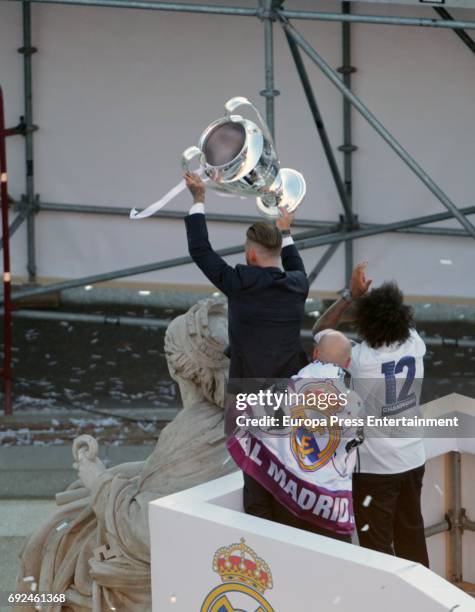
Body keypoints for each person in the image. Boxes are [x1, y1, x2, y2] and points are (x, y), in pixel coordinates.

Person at [15, 297, 236, 611]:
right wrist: (117, 473)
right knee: (72, 508)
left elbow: (145, 530)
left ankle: (30, 600)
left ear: (175, 365)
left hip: (150, 569)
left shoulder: (192, 432)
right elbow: (171, 480)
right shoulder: (233, 419)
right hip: (196, 541)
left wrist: (100, 482)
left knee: (52, 540)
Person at [184, 171, 310, 527]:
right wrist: (286, 232)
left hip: (247, 397)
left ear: (251, 254)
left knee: (255, 480)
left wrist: (198, 198)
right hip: (288, 397)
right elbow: (295, 264)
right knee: (288, 474)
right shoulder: (298, 284)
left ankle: (263, 545)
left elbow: (200, 250)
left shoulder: (240, 282)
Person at [312, 262, 429, 567]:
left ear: (364, 324)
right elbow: (396, 314)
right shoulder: (415, 344)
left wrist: (351, 295)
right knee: (412, 535)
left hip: (376, 470)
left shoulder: (360, 360)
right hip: (413, 459)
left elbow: (319, 331)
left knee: (376, 547)